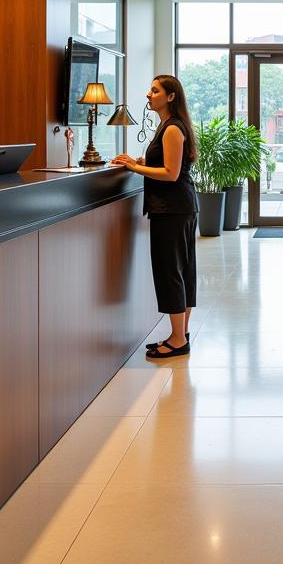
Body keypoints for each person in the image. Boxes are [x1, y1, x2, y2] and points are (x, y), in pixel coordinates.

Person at [112, 74, 198, 358]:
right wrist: (139, 161)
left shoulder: (172, 128)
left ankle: (177, 340)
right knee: (181, 271)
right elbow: (165, 163)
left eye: (155, 90)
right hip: (179, 207)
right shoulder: (168, 126)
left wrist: (135, 169)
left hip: (172, 208)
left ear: (170, 97)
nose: (148, 95)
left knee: (170, 272)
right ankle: (179, 335)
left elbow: (170, 174)